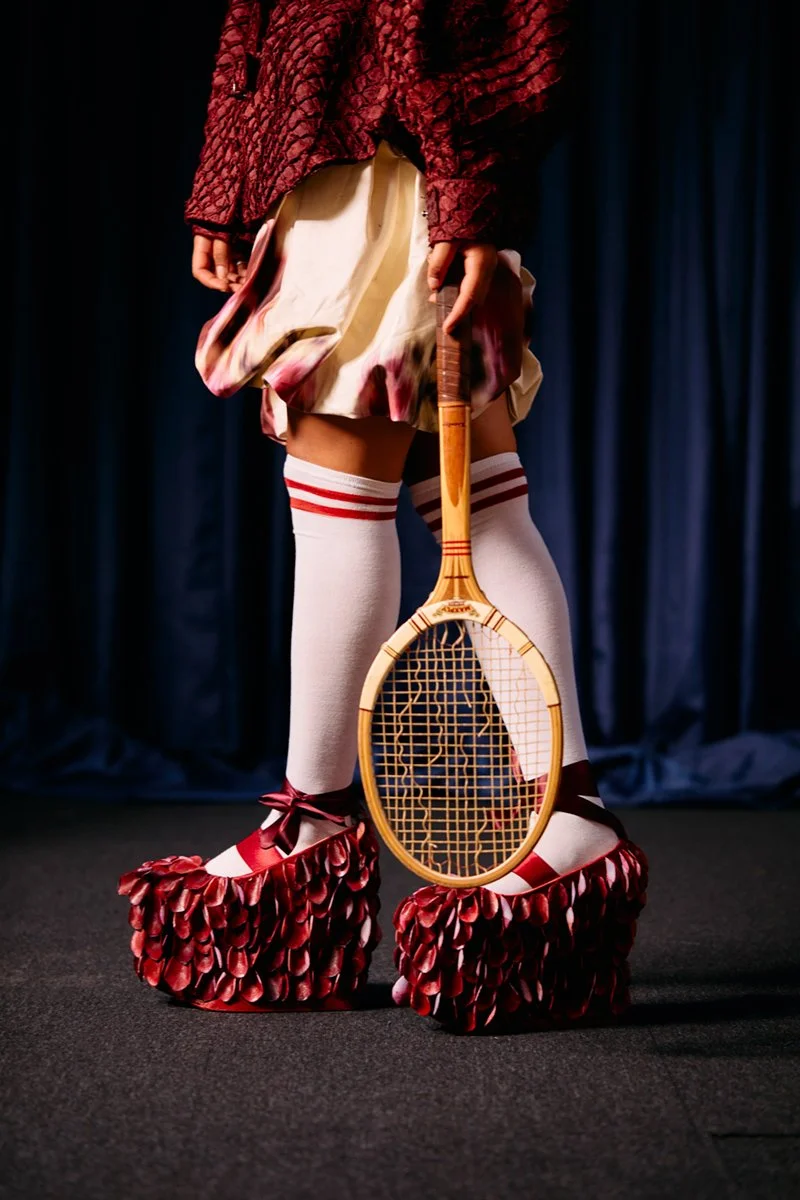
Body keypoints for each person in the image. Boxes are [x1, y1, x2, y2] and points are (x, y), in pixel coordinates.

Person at [118, 0, 647, 1030]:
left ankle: (315, 833)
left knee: (356, 507)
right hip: (350, 172)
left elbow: (498, 18)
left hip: (391, 179)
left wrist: (473, 207)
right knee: (482, 506)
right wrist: (230, 181)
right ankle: (567, 813)